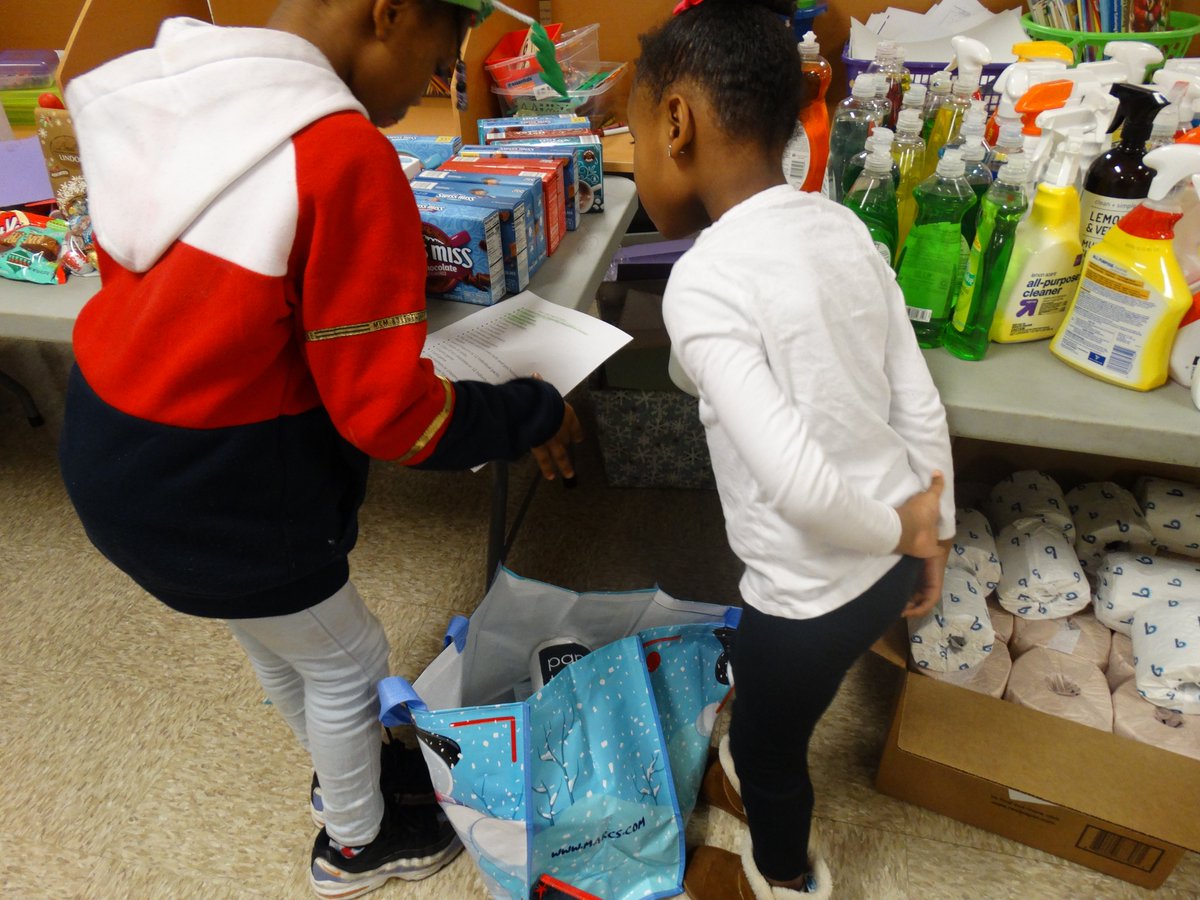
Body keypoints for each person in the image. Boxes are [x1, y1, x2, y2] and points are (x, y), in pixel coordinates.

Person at [57, 1, 581, 897]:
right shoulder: (342, 154)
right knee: (349, 661)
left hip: (113, 453)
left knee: (281, 643)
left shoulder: (180, 79)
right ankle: (354, 844)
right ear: (386, 13)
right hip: (224, 486)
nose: (434, 83)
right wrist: (531, 411)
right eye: (437, 54)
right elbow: (391, 419)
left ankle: (348, 777)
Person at [627, 1, 956, 897]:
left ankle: (787, 878)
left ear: (677, 123)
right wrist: (934, 533)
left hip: (806, 600)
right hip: (885, 571)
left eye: (635, 140)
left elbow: (802, 487)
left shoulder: (702, 281)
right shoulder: (842, 224)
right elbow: (916, 400)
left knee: (777, 758)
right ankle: (747, 738)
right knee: (774, 705)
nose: (637, 167)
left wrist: (899, 530)